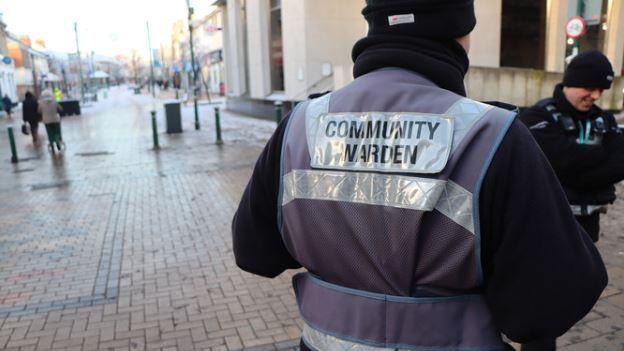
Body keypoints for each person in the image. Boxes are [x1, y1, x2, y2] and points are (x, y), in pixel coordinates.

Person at [232, 1, 607, 350]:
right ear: (461, 34)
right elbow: (548, 305)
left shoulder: (299, 126)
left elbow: (254, 253)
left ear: (374, 24)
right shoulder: (491, 136)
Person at [520, 50, 624, 243]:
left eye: (601, 90)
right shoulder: (538, 116)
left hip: (589, 225)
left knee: (586, 272)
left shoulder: (604, 119)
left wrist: (574, 175)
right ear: (572, 81)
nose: (595, 95)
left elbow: (620, 164)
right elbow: (557, 161)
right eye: (590, 87)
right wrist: (602, 154)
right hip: (547, 220)